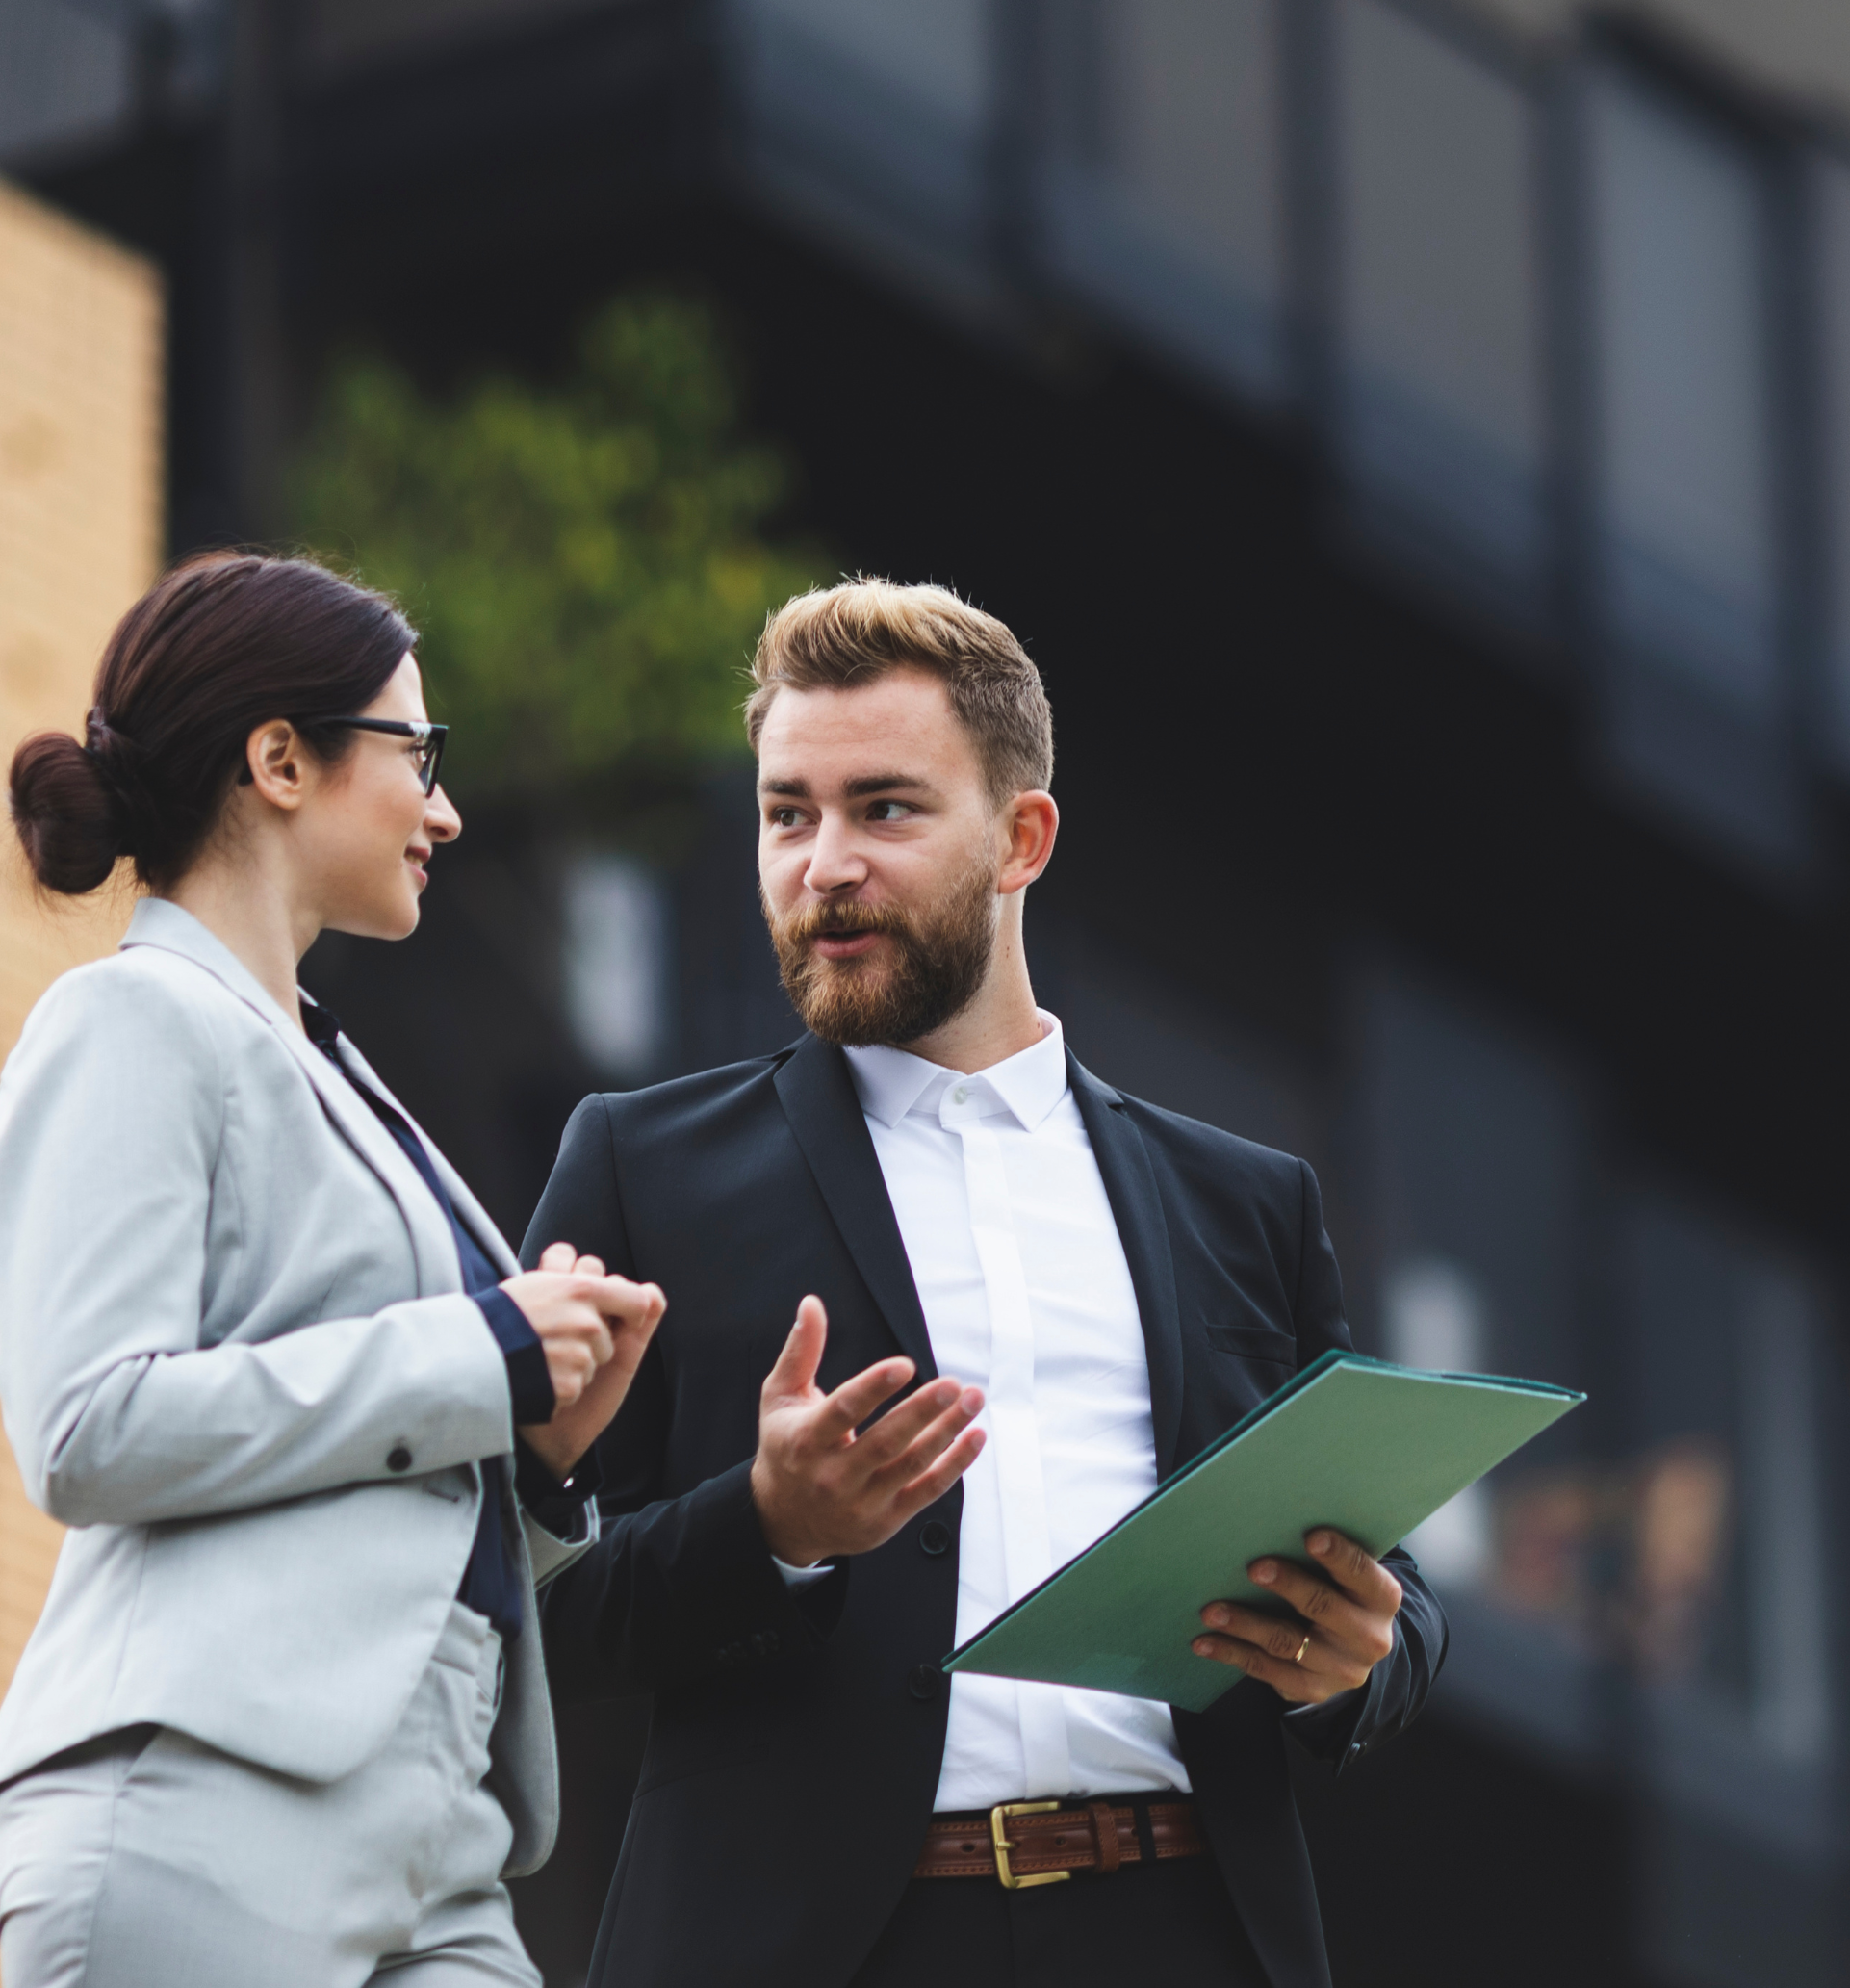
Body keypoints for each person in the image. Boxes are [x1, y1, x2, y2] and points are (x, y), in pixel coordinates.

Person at [525, 579, 1445, 1988]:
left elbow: (1386, 1584)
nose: (822, 862)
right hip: (812, 1949)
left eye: (883, 809)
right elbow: (517, 1604)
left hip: (1183, 1928)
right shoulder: (640, 1166)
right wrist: (766, 1526)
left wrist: (1363, 1655)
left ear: (1021, 838)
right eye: (787, 814)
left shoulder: (1245, 1204)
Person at [0, 551, 666, 1988]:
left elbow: (396, 1491)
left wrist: (542, 1453)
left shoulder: (337, 1075)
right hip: (202, 1808)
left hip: (447, 1847)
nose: (447, 806)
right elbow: (81, 1428)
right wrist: (477, 1356)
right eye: (417, 752)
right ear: (281, 760)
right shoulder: (127, 1020)